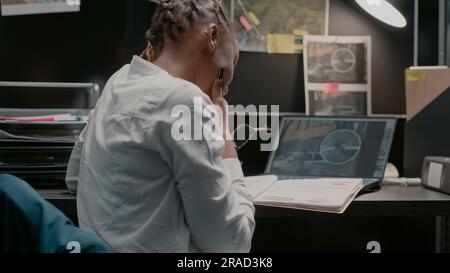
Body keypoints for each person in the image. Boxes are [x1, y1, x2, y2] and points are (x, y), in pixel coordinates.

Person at [66, 0, 255, 253]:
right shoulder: (186, 100)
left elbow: (75, 178)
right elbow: (232, 244)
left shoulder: (119, 80)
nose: (218, 93)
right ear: (212, 35)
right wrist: (224, 134)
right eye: (222, 76)